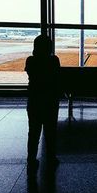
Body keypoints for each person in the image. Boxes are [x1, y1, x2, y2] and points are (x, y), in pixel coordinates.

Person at [25, 35, 61, 175]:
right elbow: (57, 78)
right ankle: (51, 157)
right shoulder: (54, 60)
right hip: (50, 100)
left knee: (33, 132)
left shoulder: (31, 60)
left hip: (34, 100)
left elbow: (30, 74)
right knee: (51, 131)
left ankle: (31, 158)